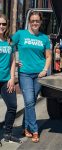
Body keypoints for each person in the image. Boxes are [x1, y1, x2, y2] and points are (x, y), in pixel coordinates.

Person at [12, 11, 52, 142]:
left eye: (37, 21)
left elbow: (48, 56)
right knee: (29, 101)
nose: (35, 23)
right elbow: (8, 46)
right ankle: (34, 129)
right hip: (25, 74)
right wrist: (15, 61)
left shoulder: (44, 38)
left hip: (39, 75)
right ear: (29, 22)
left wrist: (45, 70)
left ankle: (25, 127)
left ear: (41, 22)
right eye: (32, 20)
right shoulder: (20, 34)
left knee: (31, 102)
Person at [0, 14, 22, 143]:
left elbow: (13, 60)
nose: (1, 26)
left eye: (3, 24)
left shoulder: (9, 41)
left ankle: (7, 133)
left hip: (6, 79)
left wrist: (12, 78)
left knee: (12, 106)